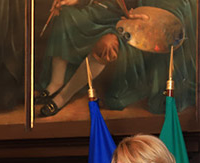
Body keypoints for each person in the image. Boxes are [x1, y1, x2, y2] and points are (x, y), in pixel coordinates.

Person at [36, 0, 195, 117]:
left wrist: (144, 15)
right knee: (66, 14)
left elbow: (172, 10)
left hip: (133, 22)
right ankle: (55, 82)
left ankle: (63, 96)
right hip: (106, 12)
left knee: (106, 46)